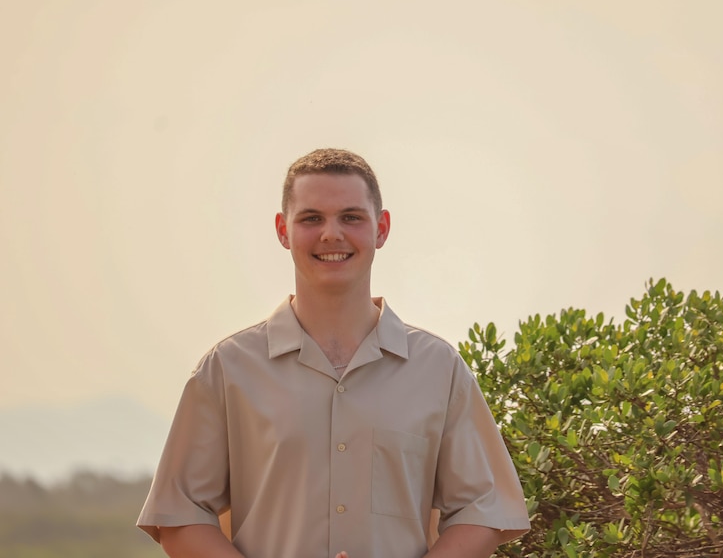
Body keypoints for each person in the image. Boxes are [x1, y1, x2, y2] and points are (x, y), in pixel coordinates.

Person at [137, 148, 530, 558]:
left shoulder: (439, 368)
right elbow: (179, 515)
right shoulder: (227, 368)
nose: (331, 234)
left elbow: (483, 509)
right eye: (311, 218)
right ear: (282, 230)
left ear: (381, 228)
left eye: (351, 217)